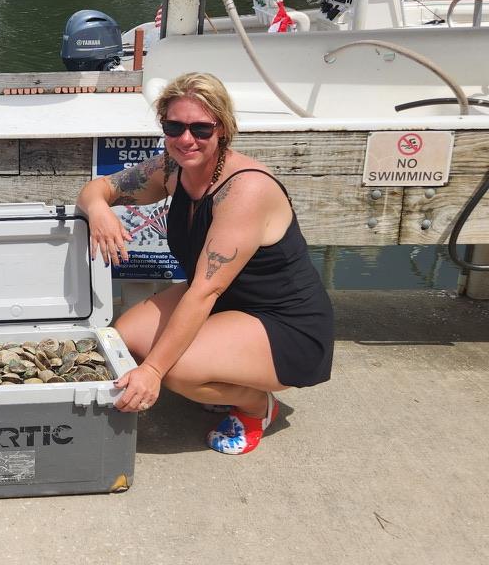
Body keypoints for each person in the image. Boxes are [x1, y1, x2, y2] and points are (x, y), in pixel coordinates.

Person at [77, 72, 333, 455]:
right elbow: (101, 188)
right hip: (227, 301)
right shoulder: (170, 170)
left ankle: (257, 405)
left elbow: (205, 289)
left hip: (283, 320)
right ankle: (219, 371)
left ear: (224, 129)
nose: (186, 139)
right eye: (174, 126)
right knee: (124, 337)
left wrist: (154, 372)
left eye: (201, 128)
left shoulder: (245, 190)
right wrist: (98, 209)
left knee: (174, 369)